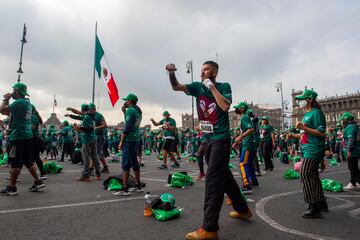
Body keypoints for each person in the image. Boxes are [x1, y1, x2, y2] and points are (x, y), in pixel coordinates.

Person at [165, 61, 252, 240]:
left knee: (213, 180)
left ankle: (210, 228)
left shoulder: (223, 86)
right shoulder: (197, 87)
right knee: (224, 176)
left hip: (221, 139)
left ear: (215, 72)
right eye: (202, 69)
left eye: (207, 69)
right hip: (207, 139)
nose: (203, 72)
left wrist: (211, 87)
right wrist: (171, 73)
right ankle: (243, 210)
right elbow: (176, 87)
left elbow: (225, 106)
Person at [0, 83, 45, 195]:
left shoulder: (18, 103)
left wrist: (6, 99)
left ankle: (12, 188)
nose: (12, 93)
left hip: (18, 137)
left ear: (17, 91)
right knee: (28, 161)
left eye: (13, 90)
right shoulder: (28, 103)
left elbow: (2, 110)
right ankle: (38, 181)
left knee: (14, 164)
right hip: (27, 136)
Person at [289, 89, 328, 218]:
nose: (300, 102)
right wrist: (294, 135)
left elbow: (321, 133)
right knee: (312, 176)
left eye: (302, 99)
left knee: (304, 173)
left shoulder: (316, 113)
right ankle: (321, 202)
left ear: (310, 99)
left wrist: (303, 128)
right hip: (307, 148)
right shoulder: (307, 114)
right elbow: (304, 134)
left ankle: (313, 206)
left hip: (314, 149)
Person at [113, 93, 143, 196]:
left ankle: (124, 188)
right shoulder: (138, 111)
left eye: (126, 100)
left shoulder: (131, 110)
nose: (125, 102)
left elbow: (127, 127)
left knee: (125, 163)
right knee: (134, 161)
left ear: (129, 101)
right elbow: (130, 121)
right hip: (135, 139)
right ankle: (138, 185)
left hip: (129, 139)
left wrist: (121, 141)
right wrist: (124, 112)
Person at [66, 104, 101, 181]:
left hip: (87, 140)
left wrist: (79, 128)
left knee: (86, 157)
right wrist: (70, 115)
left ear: (82, 110)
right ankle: (98, 173)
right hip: (93, 139)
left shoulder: (87, 117)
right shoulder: (89, 116)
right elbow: (78, 116)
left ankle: (85, 175)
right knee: (94, 156)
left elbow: (89, 129)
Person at [232, 102, 259, 193]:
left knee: (242, 163)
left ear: (242, 109)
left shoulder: (244, 117)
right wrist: (238, 141)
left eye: (237, 108)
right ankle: (254, 181)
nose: (236, 110)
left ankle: (246, 184)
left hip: (247, 145)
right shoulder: (244, 118)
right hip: (249, 144)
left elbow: (250, 129)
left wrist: (240, 137)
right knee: (249, 163)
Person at [339, 112, 360, 190]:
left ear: (346, 119)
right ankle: (358, 181)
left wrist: (349, 150)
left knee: (351, 167)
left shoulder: (350, 127)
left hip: (353, 150)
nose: (342, 121)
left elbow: (351, 139)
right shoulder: (355, 126)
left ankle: (353, 183)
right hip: (356, 149)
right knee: (355, 167)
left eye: (343, 120)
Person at [89, 103, 110, 173]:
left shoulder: (99, 116)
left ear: (93, 109)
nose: (88, 111)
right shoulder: (90, 115)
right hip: (94, 136)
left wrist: (96, 128)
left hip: (99, 136)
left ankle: (91, 169)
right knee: (99, 152)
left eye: (89, 110)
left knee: (94, 153)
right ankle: (105, 167)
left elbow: (105, 125)